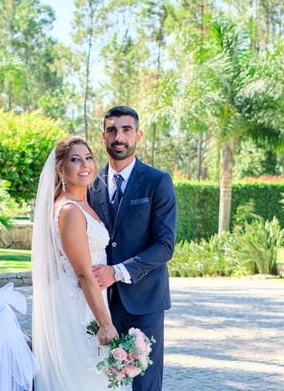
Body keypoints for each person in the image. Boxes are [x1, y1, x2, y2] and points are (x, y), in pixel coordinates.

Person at [89, 106, 177, 391]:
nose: (119, 137)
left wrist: (117, 272)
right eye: (112, 130)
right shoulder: (91, 185)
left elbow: (165, 246)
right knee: (100, 378)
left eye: (126, 130)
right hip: (100, 303)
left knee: (145, 384)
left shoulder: (157, 182)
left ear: (138, 135)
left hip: (145, 301)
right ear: (103, 136)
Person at [32, 136, 120, 390]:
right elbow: (82, 273)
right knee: (84, 378)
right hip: (78, 304)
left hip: (89, 299)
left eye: (88, 158)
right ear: (60, 168)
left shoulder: (84, 205)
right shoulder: (70, 210)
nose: (85, 165)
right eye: (75, 159)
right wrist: (106, 324)